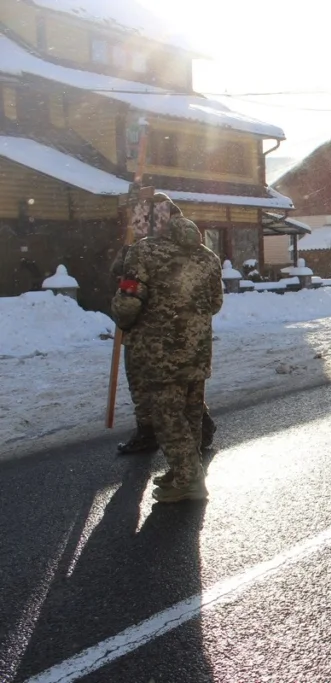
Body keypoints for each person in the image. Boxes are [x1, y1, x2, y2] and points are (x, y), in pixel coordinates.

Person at [110, 194, 222, 503]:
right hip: (197, 351)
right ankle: (183, 469)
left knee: (167, 416)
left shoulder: (142, 252)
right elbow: (215, 303)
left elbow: (129, 302)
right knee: (191, 415)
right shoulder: (207, 257)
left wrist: (120, 311)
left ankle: (189, 481)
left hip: (159, 353)